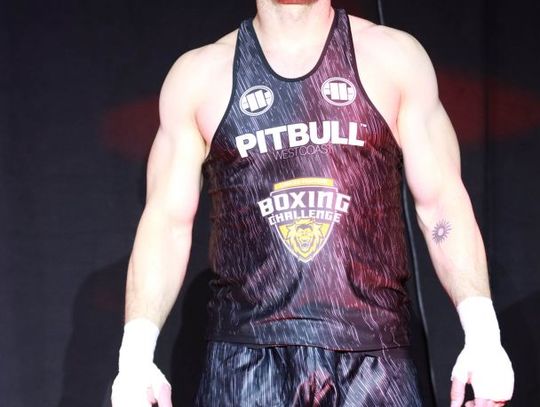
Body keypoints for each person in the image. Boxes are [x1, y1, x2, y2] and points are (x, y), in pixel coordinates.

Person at [110, 0, 514, 406]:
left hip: (373, 359)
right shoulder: (200, 77)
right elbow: (167, 223)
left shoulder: (392, 59)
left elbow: (441, 203)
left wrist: (483, 335)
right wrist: (135, 357)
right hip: (246, 363)